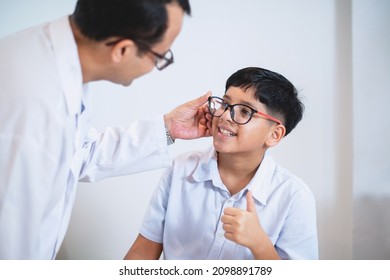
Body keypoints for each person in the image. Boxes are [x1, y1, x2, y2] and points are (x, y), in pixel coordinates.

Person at [0, 0, 211, 259]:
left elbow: (79, 154)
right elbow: (11, 239)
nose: (155, 67)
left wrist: (168, 128)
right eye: (161, 56)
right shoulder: (35, 104)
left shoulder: (50, 59)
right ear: (123, 49)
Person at [124, 67, 318, 260]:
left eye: (245, 111)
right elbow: (143, 251)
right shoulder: (181, 169)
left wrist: (261, 245)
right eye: (225, 104)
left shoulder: (295, 197)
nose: (225, 116)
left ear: (274, 135)